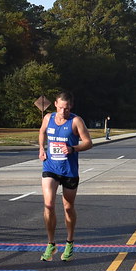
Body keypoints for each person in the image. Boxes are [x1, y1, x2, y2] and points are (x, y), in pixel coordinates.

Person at [38, 91, 93, 262]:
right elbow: (42, 132)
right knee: (48, 204)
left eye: (67, 108)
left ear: (71, 107)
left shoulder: (76, 121)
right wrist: (41, 148)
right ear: (55, 104)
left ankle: (69, 242)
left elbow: (88, 143)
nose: (63, 112)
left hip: (69, 170)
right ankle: (51, 243)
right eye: (61, 108)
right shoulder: (48, 118)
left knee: (68, 207)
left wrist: (73, 148)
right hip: (50, 167)